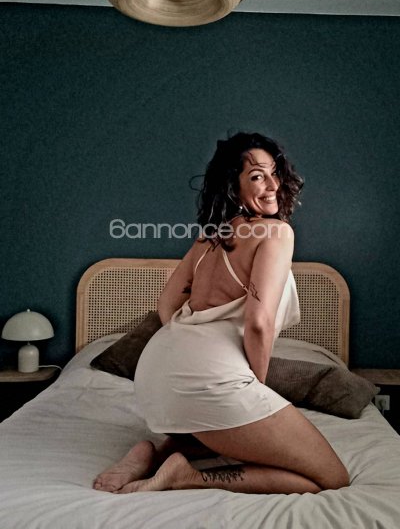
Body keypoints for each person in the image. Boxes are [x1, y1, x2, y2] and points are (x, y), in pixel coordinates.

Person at [93, 132, 349, 495]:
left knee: (223, 430)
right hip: (206, 379)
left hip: (155, 374)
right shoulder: (276, 233)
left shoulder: (208, 238)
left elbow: (166, 306)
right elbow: (258, 323)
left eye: (275, 173)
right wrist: (256, 386)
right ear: (234, 186)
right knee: (332, 477)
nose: (272, 185)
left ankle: (156, 454)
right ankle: (187, 476)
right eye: (257, 176)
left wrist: (189, 349)